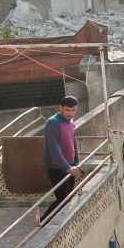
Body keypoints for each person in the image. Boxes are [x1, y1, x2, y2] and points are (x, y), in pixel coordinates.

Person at [40, 96, 81, 224]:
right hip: (56, 168)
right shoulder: (53, 122)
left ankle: (60, 222)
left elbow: (73, 143)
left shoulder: (71, 122)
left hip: (70, 166)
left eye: (73, 110)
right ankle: (43, 222)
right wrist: (67, 168)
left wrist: (76, 163)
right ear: (61, 108)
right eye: (67, 110)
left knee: (68, 197)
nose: (70, 113)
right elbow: (54, 149)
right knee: (63, 198)